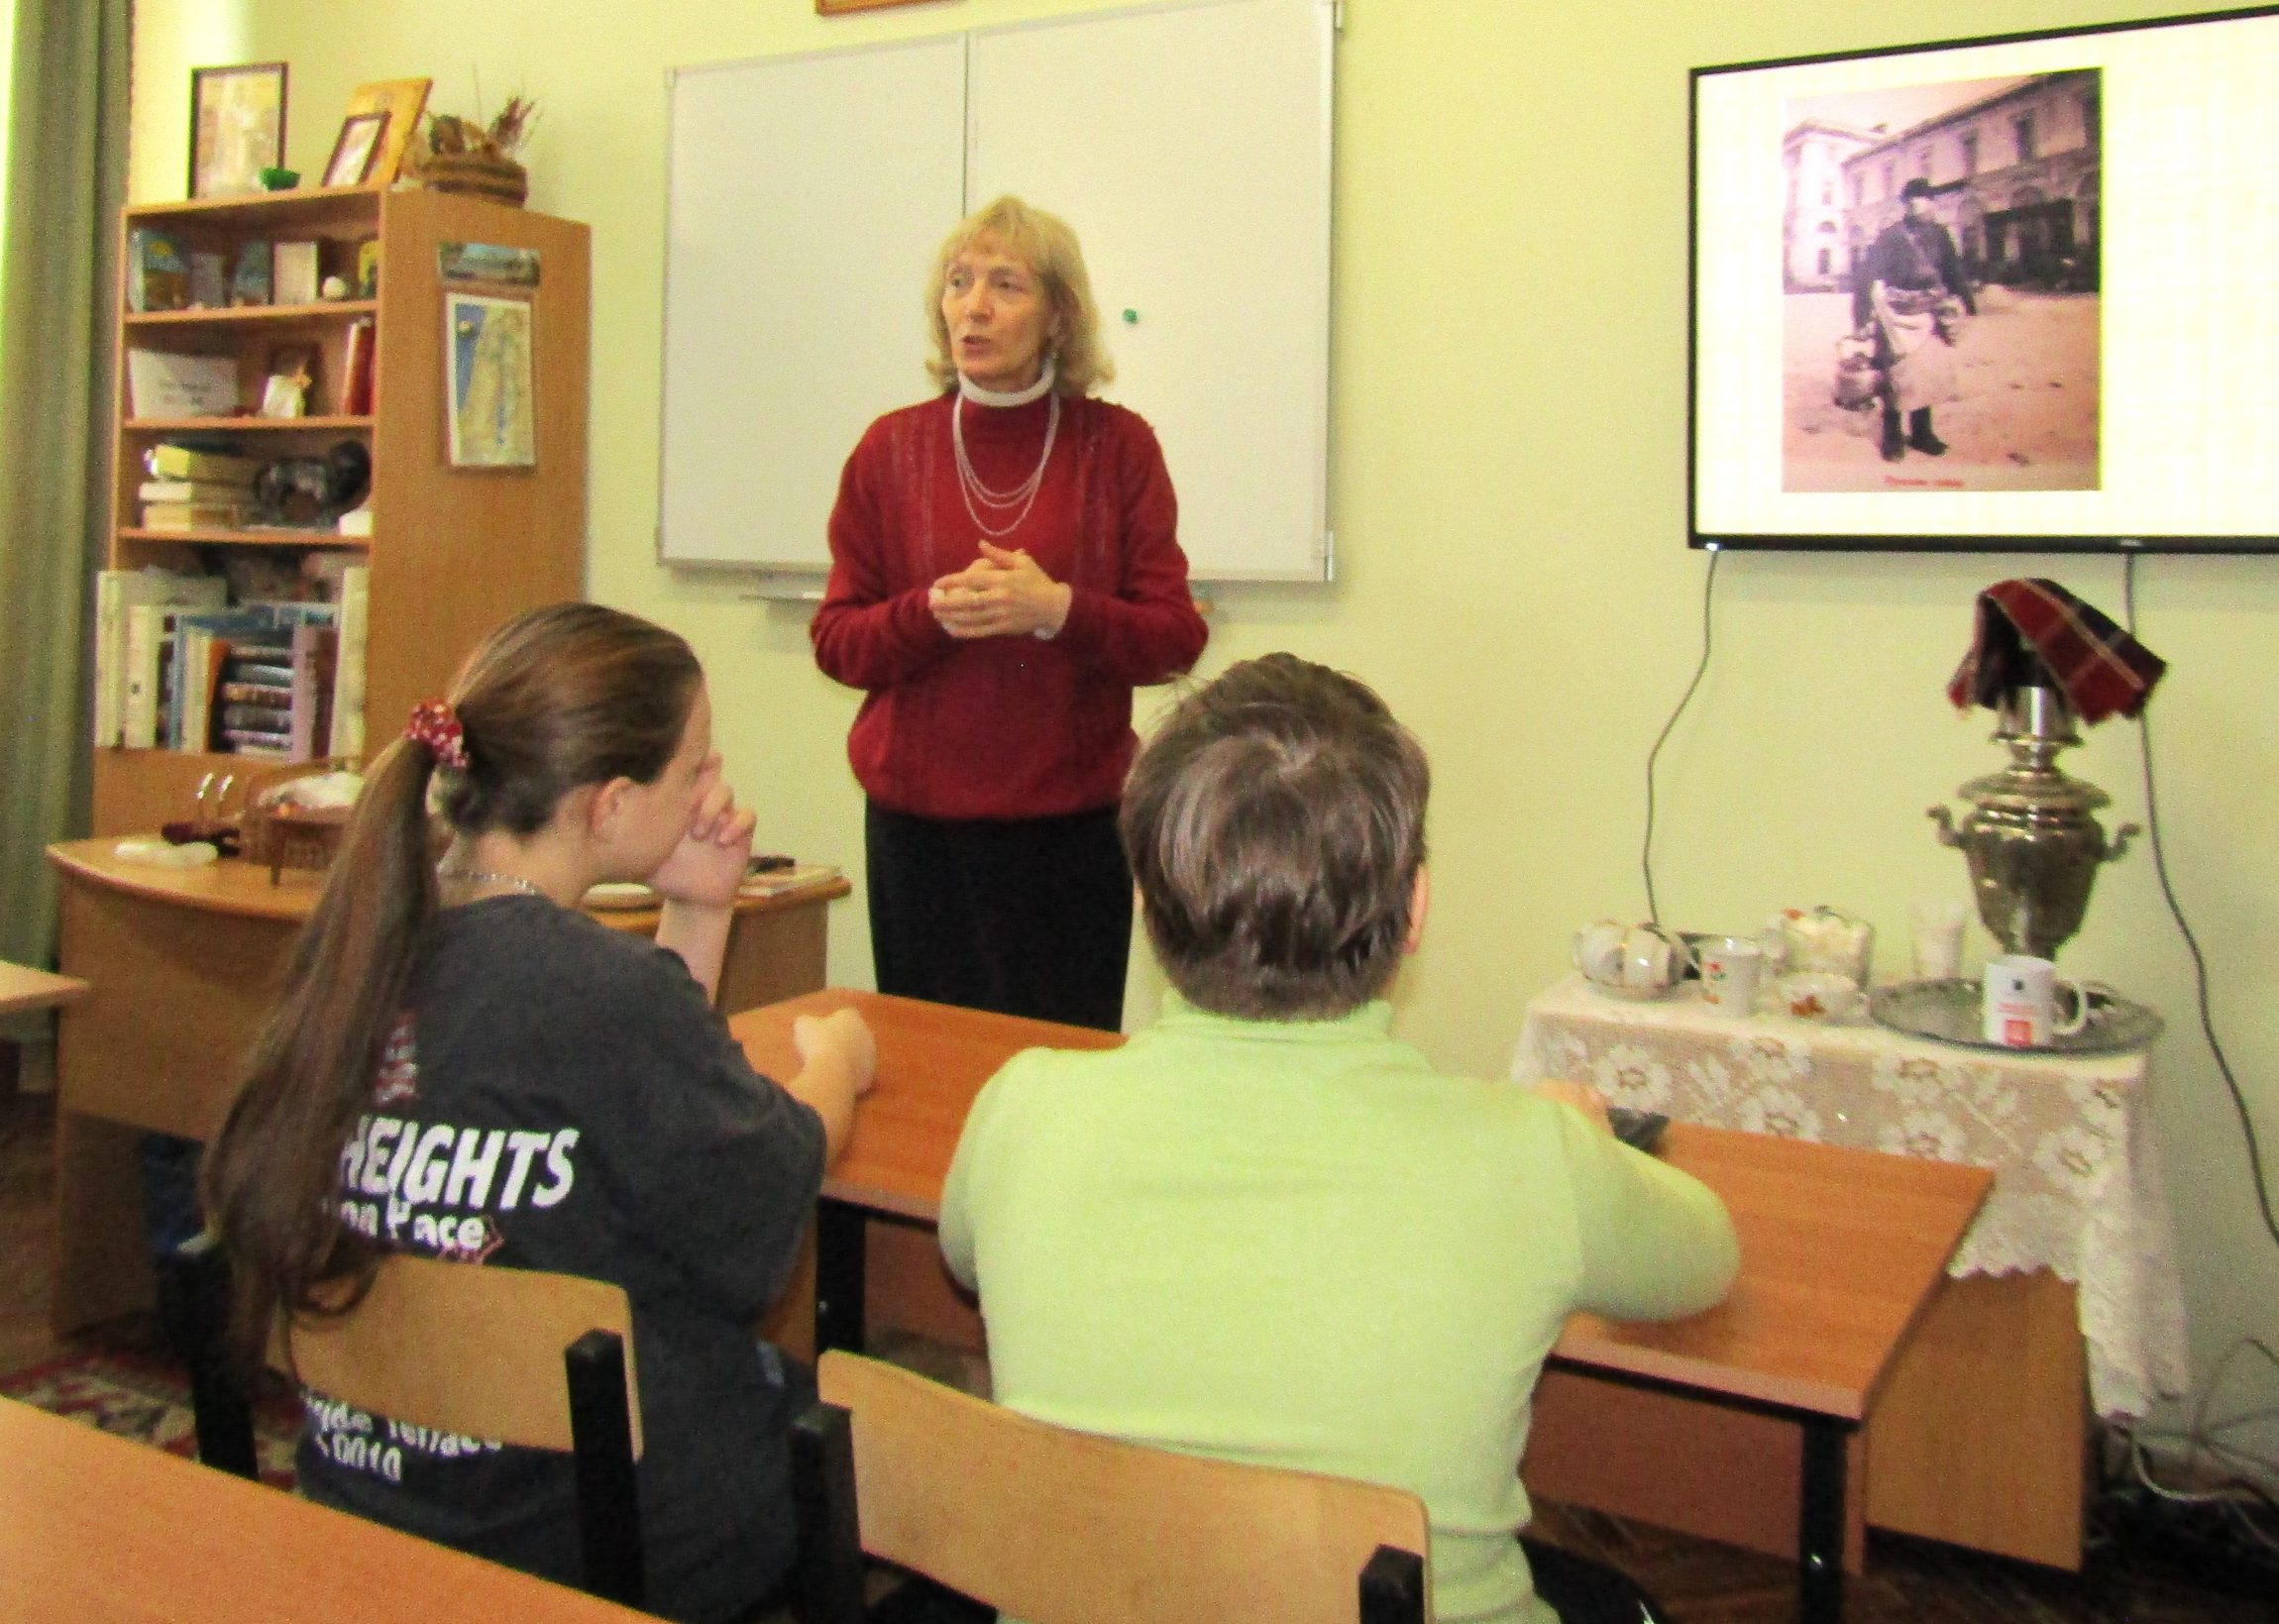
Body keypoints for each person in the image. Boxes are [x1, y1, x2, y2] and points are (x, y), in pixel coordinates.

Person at [938, 654, 1741, 1624]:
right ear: (1416, 910)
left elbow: (965, 1256)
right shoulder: (1530, 1156)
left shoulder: (1021, 1107)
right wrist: (1584, 1142)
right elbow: (1704, 1256)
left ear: (1143, 906)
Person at [201, 602, 877, 1624]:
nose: (711, 782)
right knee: (872, 1449)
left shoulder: (362, 952)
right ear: (610, 805)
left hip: (379, 1503)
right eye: (694, 764)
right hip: (579, 1533)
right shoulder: (601, 991)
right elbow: (763, 1192)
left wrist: (699, 909)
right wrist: (837, 1062)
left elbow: (661, 1126)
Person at [812, 195, 1208, 1033]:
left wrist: (1059, 609)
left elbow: (1175, 637)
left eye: (1006, 284)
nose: (975, 306)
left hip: (1072, 836)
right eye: (958, 282)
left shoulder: (1118, 447)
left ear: (1059, 316)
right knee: (931, 1071)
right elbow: (838, 641)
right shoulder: (889, 450)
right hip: (919, 838)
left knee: (1058, 1070)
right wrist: (927, 614)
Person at [1856, 176, 1978, 463]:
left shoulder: (1940, 234)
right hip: (1895, 315)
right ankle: (1892, 438)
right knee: (1894, 378)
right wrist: (1861, 315)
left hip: (1928, 312)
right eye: (1909, 199)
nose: (1914, 203)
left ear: (1930, 202)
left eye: (1920, 197)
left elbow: (1952, 269)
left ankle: (1922, 434)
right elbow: (1867, 274)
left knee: (1926, 376)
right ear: (1904, 204)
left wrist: (1967, 301)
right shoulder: (1890, 235)